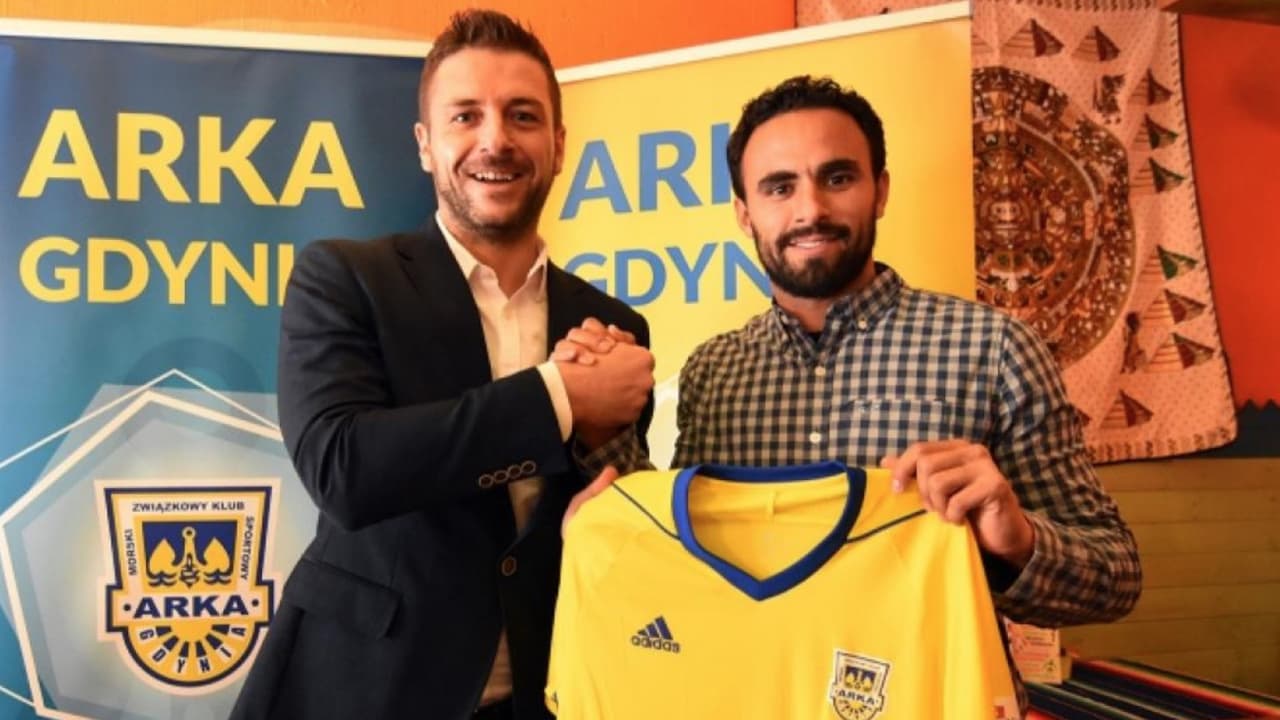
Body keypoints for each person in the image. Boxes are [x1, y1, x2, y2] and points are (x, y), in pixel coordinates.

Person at [559, 75, 1142, 705]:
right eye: (779, 187)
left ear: (880, 190)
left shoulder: (994, 348)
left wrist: (1016, 538)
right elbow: (684, 563)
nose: (810, 209)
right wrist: (601, 441)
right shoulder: (714, 371)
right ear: (744, 213)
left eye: (837, 178)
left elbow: (1116, 577)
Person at [231, 10, 654, 720]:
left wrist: (605, 465)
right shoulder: (344, 278)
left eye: (522, 115)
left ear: (558, 145)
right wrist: (558, 397)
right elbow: (343, 469)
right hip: (368, 691)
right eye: (465, 116)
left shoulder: (611, 329)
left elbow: (613, 518)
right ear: (426, 145)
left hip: (551, 693)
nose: (495, 139)